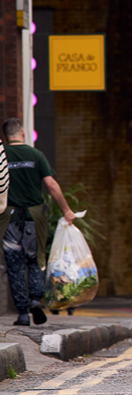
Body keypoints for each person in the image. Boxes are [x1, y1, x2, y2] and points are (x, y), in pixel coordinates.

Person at [1, 118, 77, 326]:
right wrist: (67, 210)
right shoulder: (36, 155)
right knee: (35, 261)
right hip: (35, 218)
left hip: (10, 217)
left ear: (5, 137)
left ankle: (23, 313)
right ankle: (36, 300)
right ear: (23, 133)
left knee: (15, 266)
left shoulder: (2, 157)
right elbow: (51, 185)